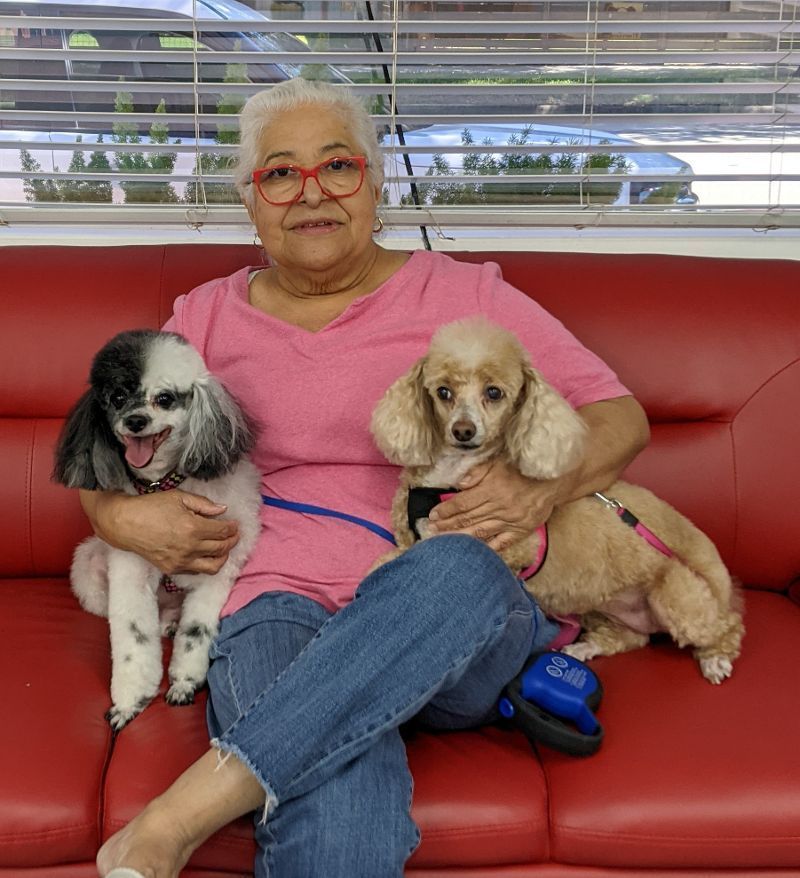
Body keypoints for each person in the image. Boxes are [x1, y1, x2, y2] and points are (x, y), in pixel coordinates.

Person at [84, 77, 650, 878]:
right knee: (340, 781)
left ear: (376, 182)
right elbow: (102, 439)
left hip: (451, 606)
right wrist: (112, 516)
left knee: (455, 565)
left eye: (337, 166)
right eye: (280, 173)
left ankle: (175, 818)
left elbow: (621, 417)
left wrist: (538, 488)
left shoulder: (463, 293)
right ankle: (305, 734)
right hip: (271, 598)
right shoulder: (205, 316)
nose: (309, 193)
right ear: (250, 199)